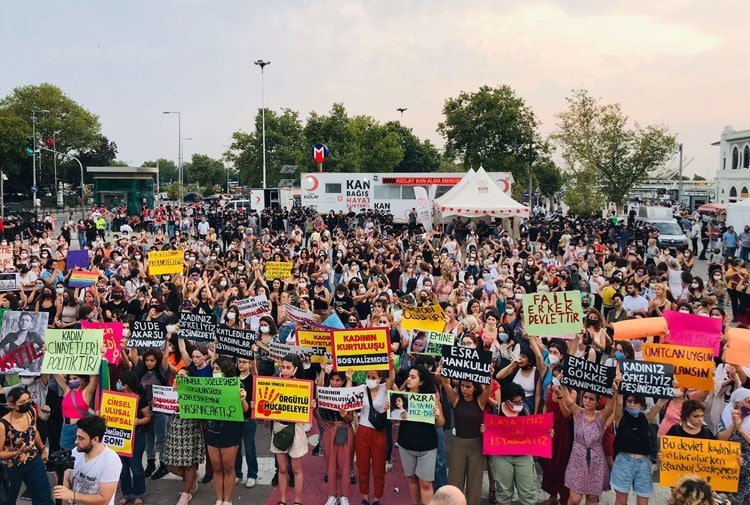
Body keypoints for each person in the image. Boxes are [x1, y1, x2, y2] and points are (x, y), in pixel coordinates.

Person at [559, 377, 621, 505]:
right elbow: (568, 400)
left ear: (597, 402)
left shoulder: (601, 416)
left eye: (591, 399)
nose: (587, 401)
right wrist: (562, 384)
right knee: (575, 499)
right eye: (585, 397)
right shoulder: (577, 412)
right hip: (577, 458)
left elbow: (610, 407)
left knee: (592, 499)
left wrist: (615, 391)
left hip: (596, 460)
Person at [391, 365, 445, 505]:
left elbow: (441, 423)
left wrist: (437, 416)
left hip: (427, 446)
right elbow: (394, 421)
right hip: (406, 445)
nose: (408, 379)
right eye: (408, 376)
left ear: (421, 381)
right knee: (412, 479)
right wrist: (390, 410)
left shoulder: (432, 399)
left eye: (413, 377)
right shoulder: (401, 397)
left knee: (426, 483)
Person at [268, 353, 316, 505]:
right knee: (282, 468)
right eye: (282, 367)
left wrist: (312, 406)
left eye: (288, 367)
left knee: (296, 469)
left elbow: (308, 409)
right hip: (278, 427)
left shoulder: (303, 386)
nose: (284, 370)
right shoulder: (273, 383)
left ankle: (297, 501)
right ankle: (282, 500)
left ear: (295, 369)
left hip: (296, 429)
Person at [205, 356, 250, 505]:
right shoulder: (207, 385)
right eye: (214, 369)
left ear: (225, 370)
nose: (215, 372)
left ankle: (228, 500)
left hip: (230, 431)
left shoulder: (237, 384)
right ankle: (219, 499)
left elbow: (245, 410)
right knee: (217, 468)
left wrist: (242, 399)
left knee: (228, 468)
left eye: (218, 369)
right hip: (212, 430)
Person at [610, 391, 668, 505]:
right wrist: (619, 389)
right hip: (623, 462)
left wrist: (670, 389)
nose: (632, 404)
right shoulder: (620, 417)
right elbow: (619, 402)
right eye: (629, 401)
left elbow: (659, 405)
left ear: (641, 405)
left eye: (636, 402)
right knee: (621, 502)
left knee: (643, 503)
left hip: (643, 464)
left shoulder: (646, 418)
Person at [441, 376, 490, 505]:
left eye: (468, 386)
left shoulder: (480, 401)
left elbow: (488, 388)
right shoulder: (456, 399)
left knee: (475, 482)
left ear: (475, 388)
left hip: (477, 445)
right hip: (458, 444)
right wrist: (444, 370)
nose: (464, 389)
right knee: (454, 480)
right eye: (462, 386)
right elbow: (445, 383)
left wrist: (489, 374)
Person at [0, 386, 54, 505]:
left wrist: (42, 449)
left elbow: (35, 431)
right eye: (22, 402)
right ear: (13, 405)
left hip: (33, 459)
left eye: (28, 400)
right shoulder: (3, 424)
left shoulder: (31, 412)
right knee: (7, 500)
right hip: (11, 467)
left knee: (43, 497)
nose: (27, 403)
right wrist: (17, 452)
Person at [52, 415, 122, 505]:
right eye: (77, 437)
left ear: (95, 439)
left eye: (81, 438)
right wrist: (63, 485)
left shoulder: (111, 461)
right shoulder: (76, 452)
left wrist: (72, 496)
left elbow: (104, 499)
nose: (76, 442)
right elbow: (67, 477)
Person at [355, 366, 396, 505]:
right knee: (362, 467)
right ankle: (365, 498)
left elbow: (392, 377)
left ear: (380, 379)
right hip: (362, 430)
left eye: (373, 377)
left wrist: (391, 365)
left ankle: (377, 498)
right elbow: (347, 395)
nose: (370, 379)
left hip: (378, 433)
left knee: (379, 468)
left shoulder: (384, 388)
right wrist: (348, 379)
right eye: (368, 377)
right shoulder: (361, 388)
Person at [317, 370, 356, 505]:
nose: (334, 382)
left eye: (338, 380)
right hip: (330, 430)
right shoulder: (325, 393)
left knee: (345, 465)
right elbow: (315, 406)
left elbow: (351, 418)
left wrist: (345, 415)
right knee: (330, 465)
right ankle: (332, 495)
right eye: (332, 379)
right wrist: (320, 421)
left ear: (342, 381)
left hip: (344, 429)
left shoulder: (347, 394)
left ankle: (344, 496)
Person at [116, 371, 151, 505]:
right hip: (121, 436)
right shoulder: (116, 397)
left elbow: (147, 417)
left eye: (119, 382)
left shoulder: (141, 399)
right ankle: (126, 494)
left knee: (135, 467)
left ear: (125, 385)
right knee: (123, 467)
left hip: (137, 436)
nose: (117, 384)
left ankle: (138, 493)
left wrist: (139, 421)